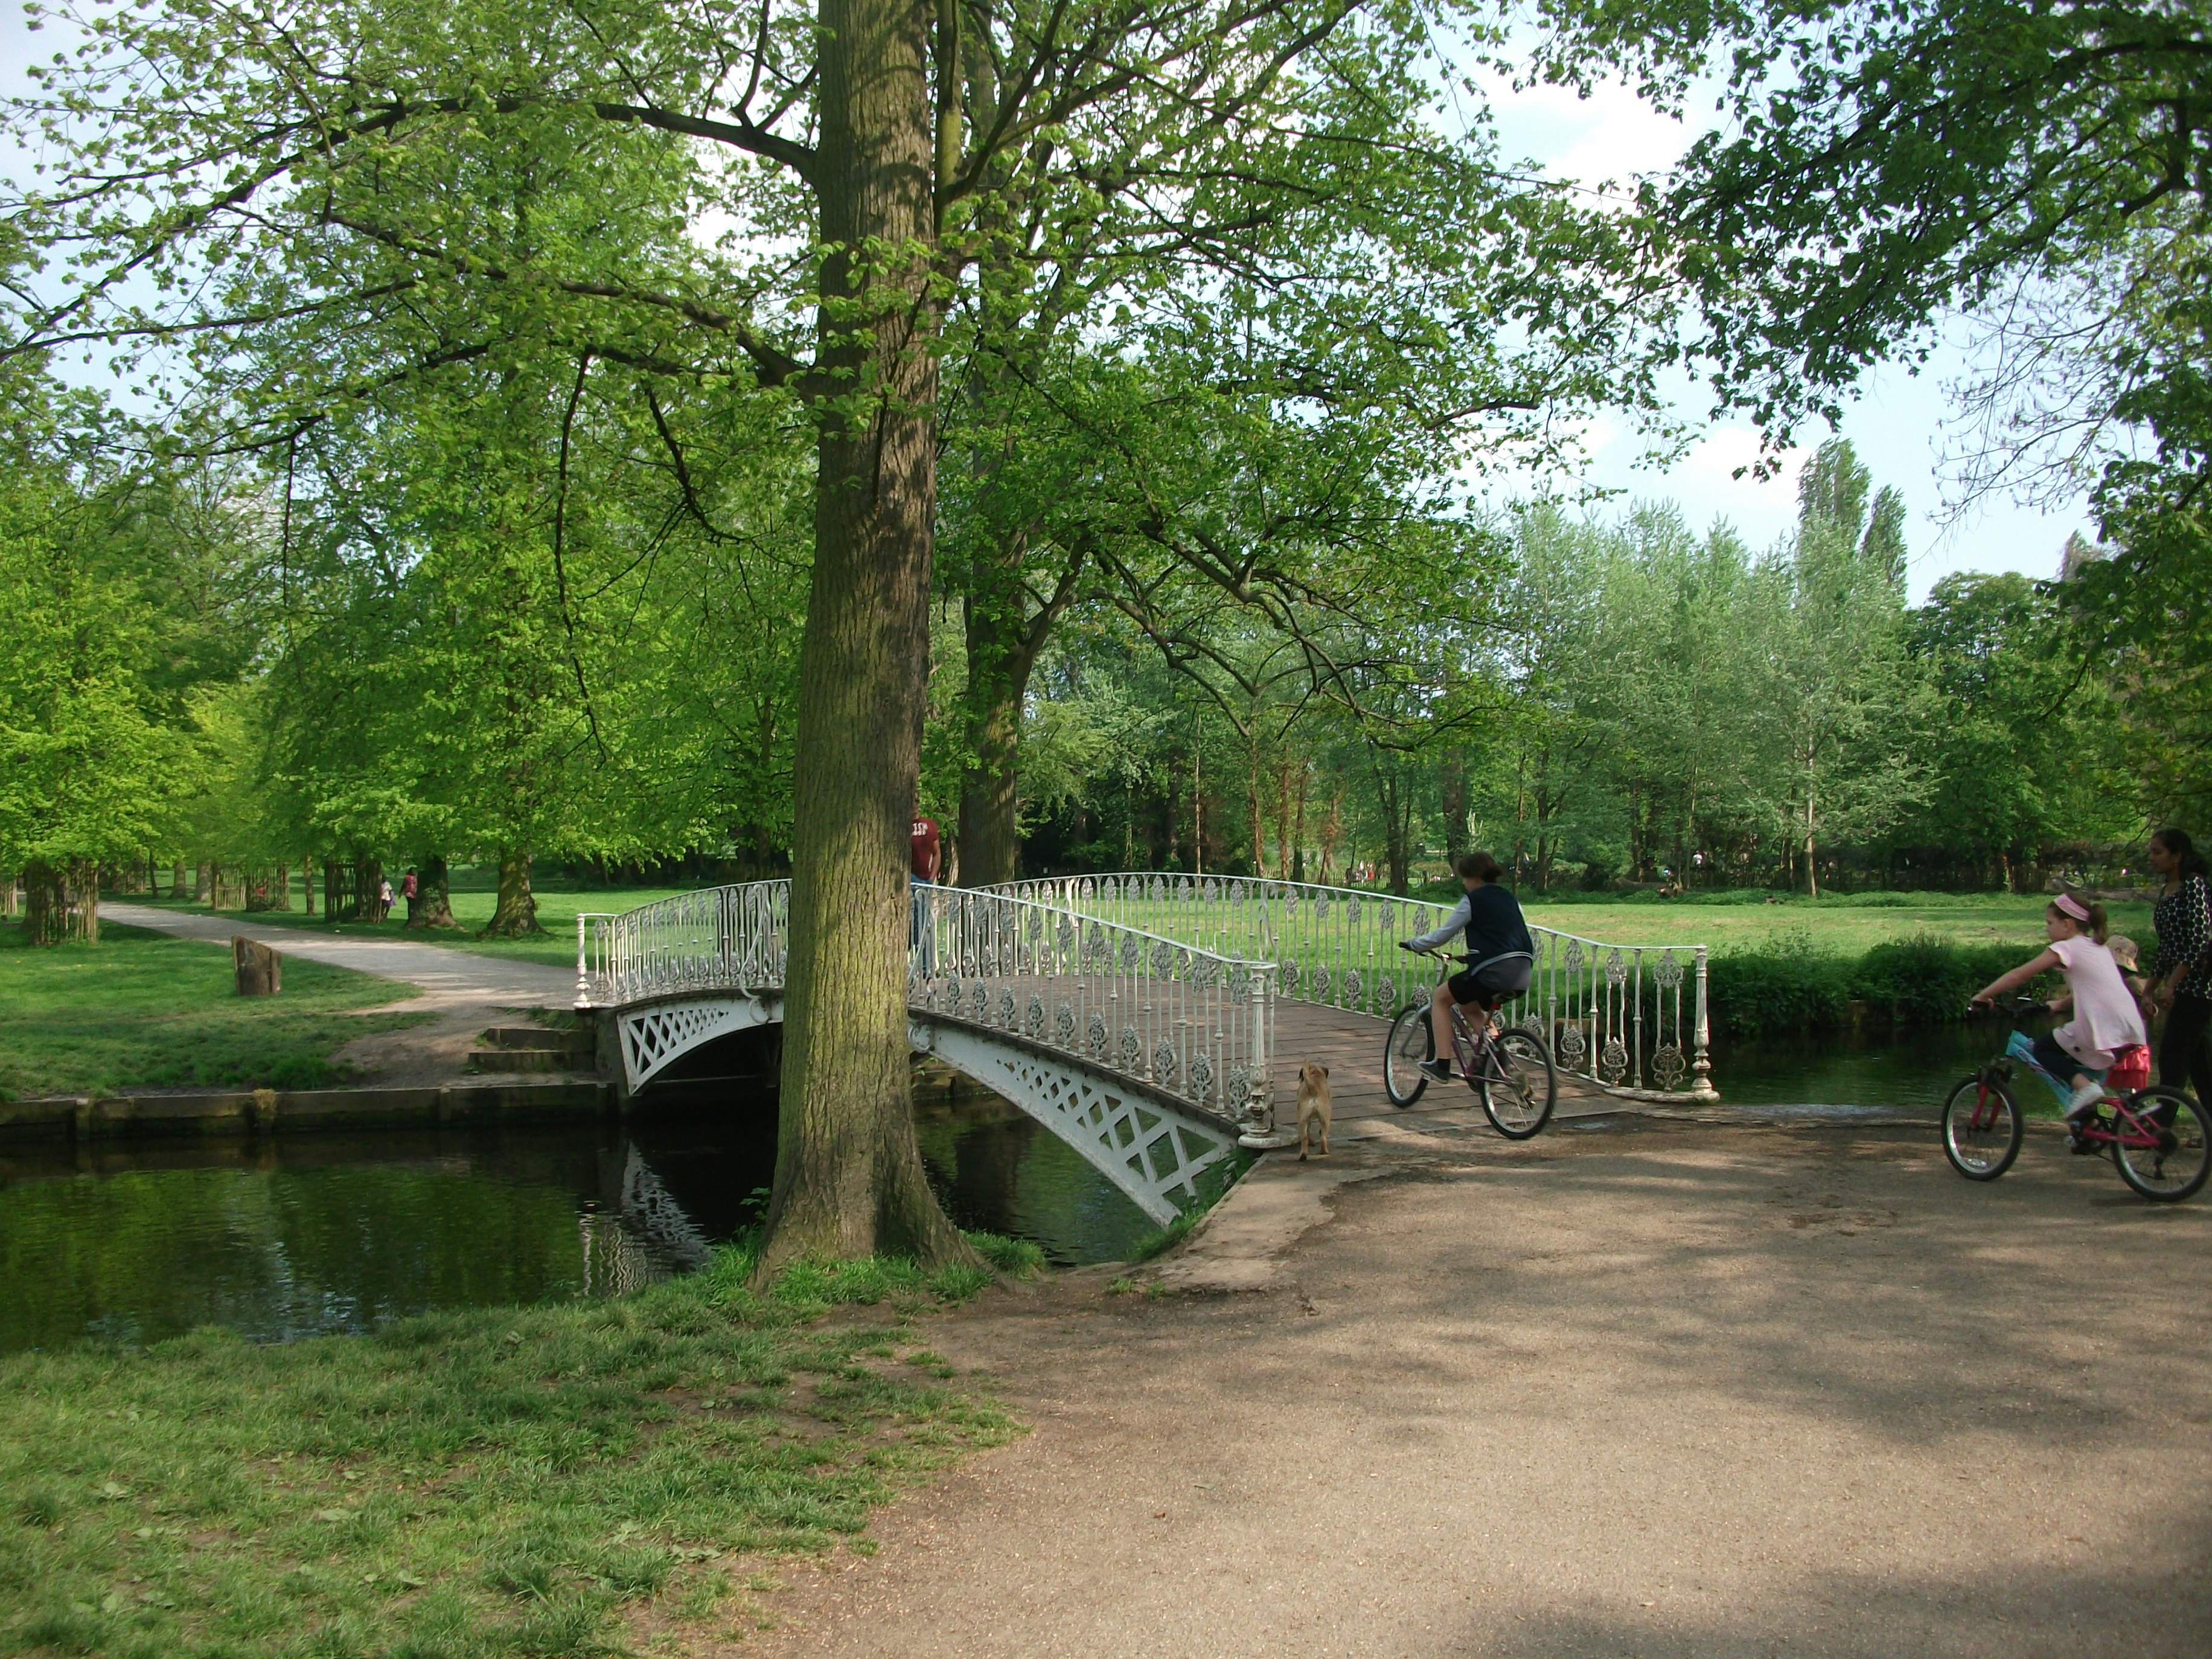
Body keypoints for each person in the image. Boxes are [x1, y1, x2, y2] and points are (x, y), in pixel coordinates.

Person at [1971, 890, 2147, 1149]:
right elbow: (2093, 987)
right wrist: (2060, 1004)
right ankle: (2088, 1127)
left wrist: (1983, 996)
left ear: (2067, 925)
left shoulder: (2066, 947)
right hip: (2128, 1026)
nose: (2047, 928)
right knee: (2074, 1060)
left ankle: (2086, 1091)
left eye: (2049, 923)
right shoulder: (2096, 946)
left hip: (2101, 1027)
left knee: (2043, 1049)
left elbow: (2020, 975)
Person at [1399, 851, 1535, 1081]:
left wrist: (1415, 944)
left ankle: (1441, 1066)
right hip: (1522, 970)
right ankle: (1501, 1062)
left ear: (1474, 877)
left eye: (1464, 877)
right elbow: (1503, 934)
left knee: (1441, 998)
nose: (1463, 882)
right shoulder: (1511, 899)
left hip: (1493, 971)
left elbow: (1442, 935)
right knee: (1469, 1007)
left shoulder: (1471, 900)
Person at [2147, 827, 2212, 1106]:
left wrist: (2171, 984)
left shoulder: (2194, 887)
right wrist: (2148, 989)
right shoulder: (2166, 892)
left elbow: (2199, 940)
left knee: (2173, 1055)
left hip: (2199, 987)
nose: (2151, 858)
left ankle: (2161, 1128)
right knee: (2200, 1064)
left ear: (2177, 856)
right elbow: (2166, 947)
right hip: (2181, 986)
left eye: (2157, 852)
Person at [910, 814, 942, 975]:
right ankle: (924, 966)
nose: (915, 804)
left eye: (917, 800)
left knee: (924, 922)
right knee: (917, 922)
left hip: (925, 880)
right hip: (910, 879)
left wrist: (932, 877)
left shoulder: (929, 825)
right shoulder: (901, 823)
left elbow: (937, 853)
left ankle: (926, 966)